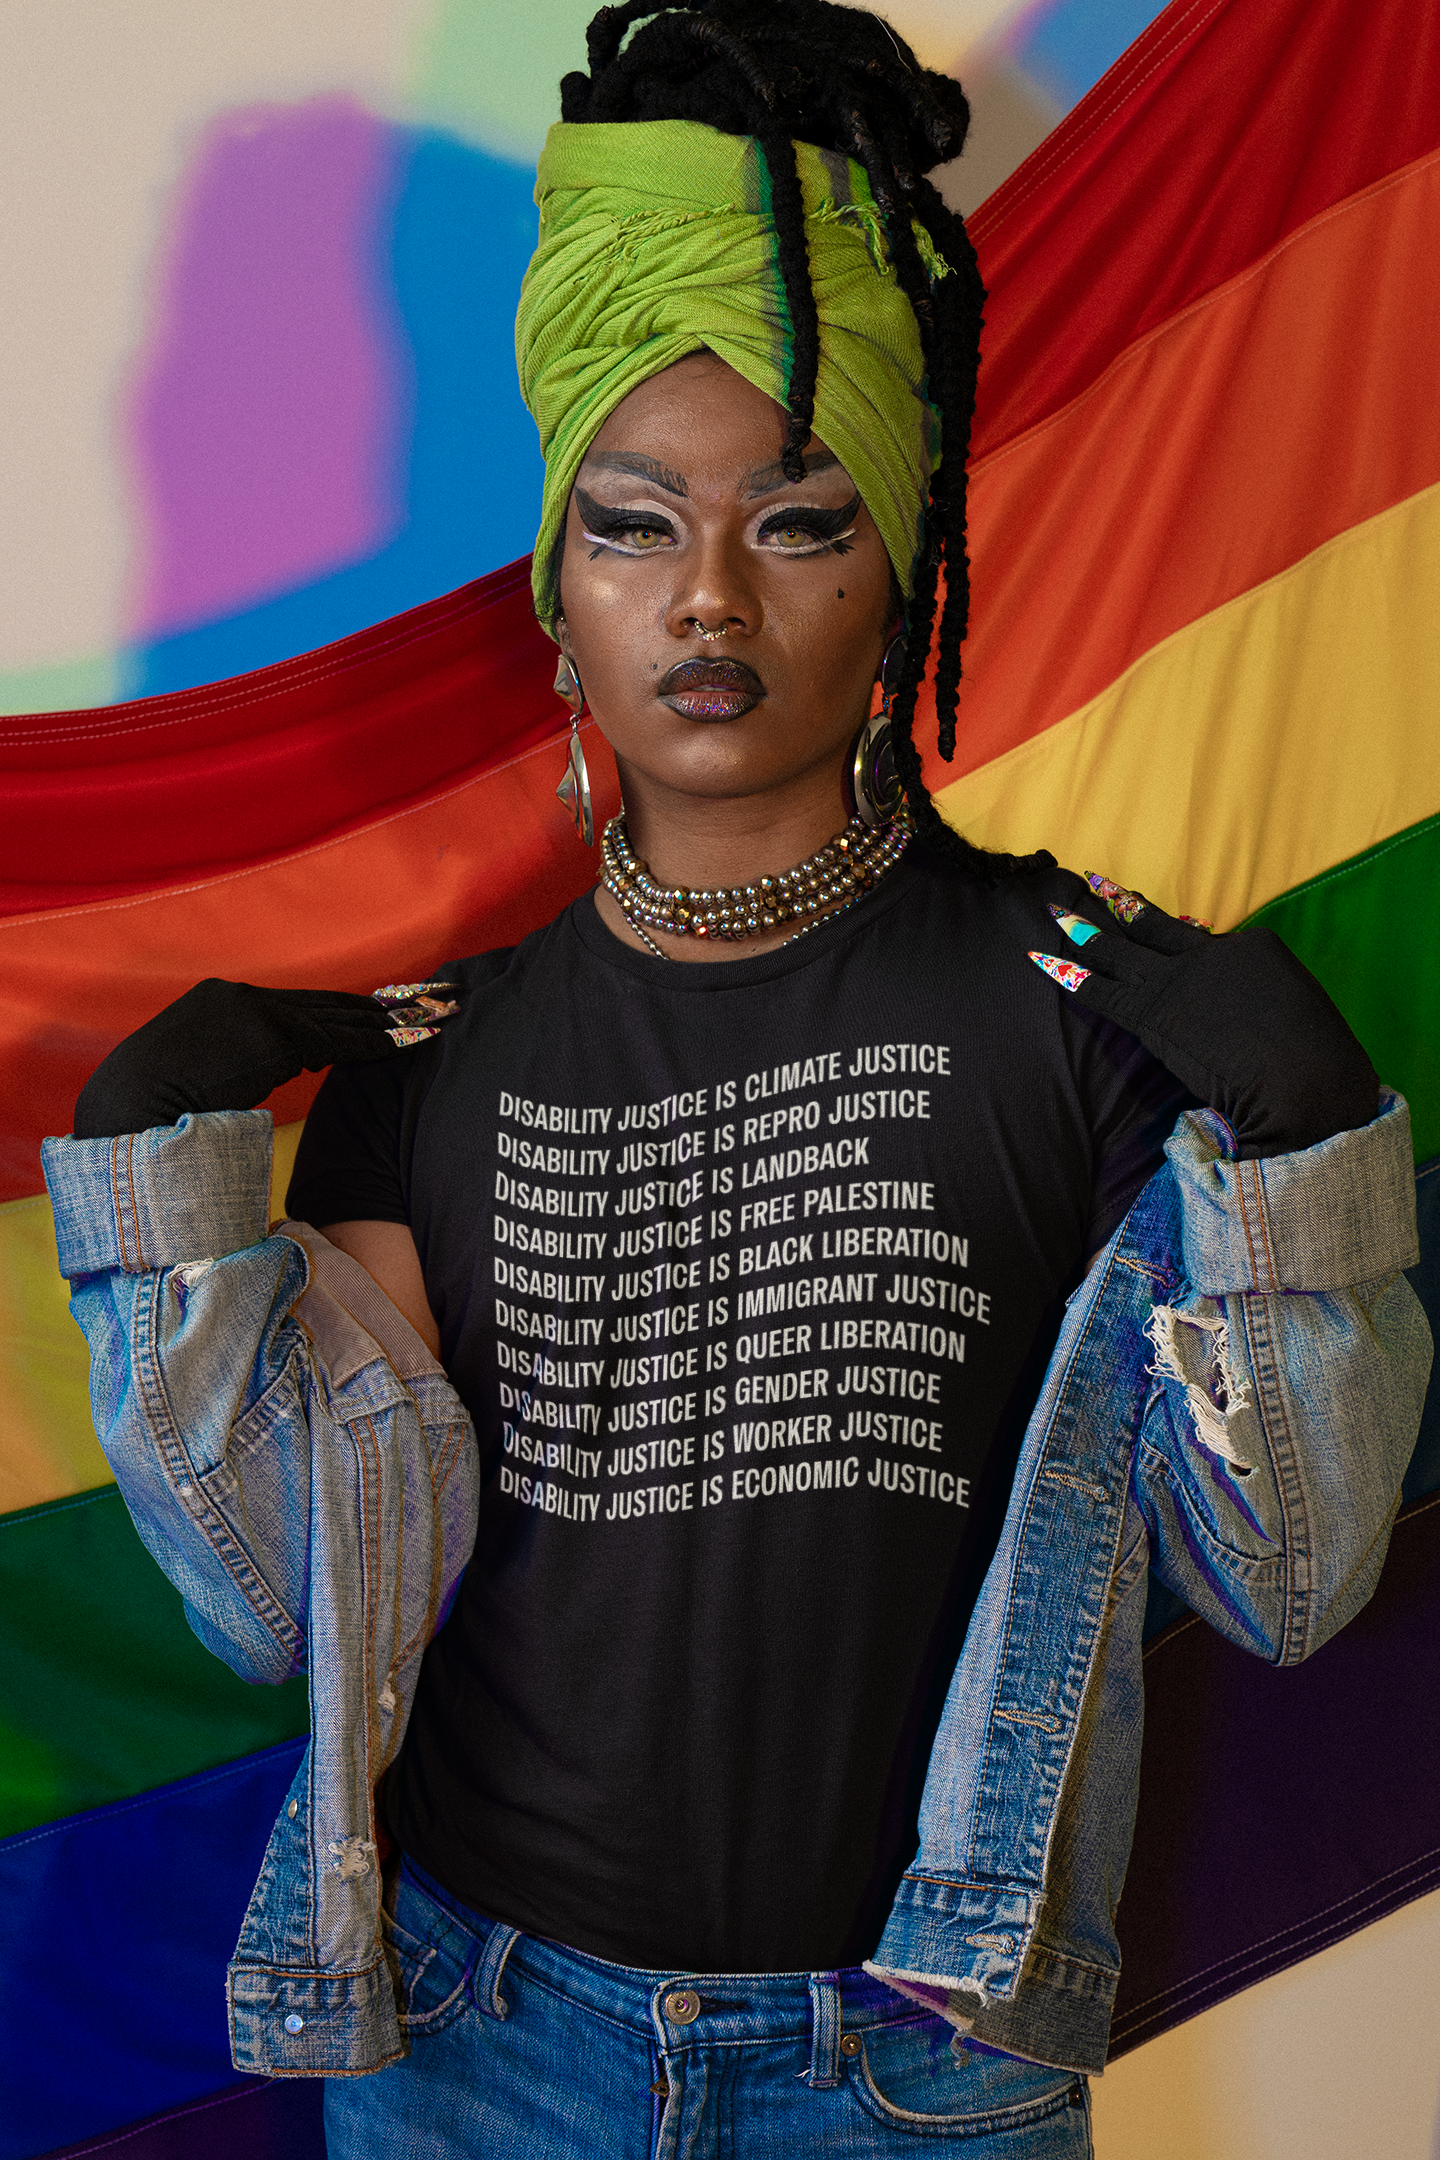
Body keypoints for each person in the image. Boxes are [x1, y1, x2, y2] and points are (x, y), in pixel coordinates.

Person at [42, 5, 1430, 2156]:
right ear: (556, 588)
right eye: (630, 526)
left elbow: (1292, 1570)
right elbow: (273, 1605)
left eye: (796, 521)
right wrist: (156, 1191)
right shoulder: (448, 1050)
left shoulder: (1078, 1004)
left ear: (899, 565)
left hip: (914, 2077)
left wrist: (1310, 1161)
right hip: (478, 2048)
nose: (706, 596)